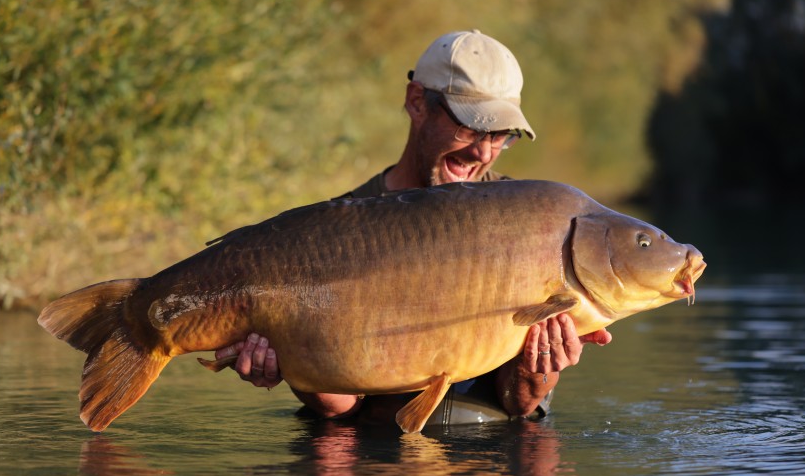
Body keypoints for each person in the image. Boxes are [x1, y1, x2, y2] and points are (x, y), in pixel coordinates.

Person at [215, 30, 612, 426]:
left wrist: (542, 365)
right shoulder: (338, 230)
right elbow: (341, 411)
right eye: (469, 127)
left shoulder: (532, 223)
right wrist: (292, 361)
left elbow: (520, 405)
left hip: (491, 457)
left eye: (500, 135)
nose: (483, 151)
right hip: (371, 454)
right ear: (417, 102)